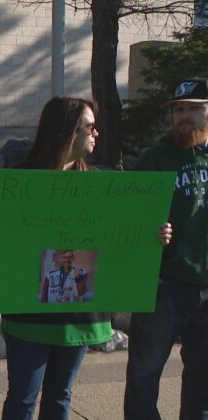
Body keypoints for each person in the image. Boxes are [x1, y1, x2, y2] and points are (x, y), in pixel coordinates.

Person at [0, 96, 169, 420]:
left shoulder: (97, 186)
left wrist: (154, 236)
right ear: (66, 131)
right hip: (28, 315)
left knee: (60, 398)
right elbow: (2, 243)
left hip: (77, 316)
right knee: (22, 399)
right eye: (90, 127)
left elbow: (120, 241)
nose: (97, 134)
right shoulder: (18, 182)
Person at [124, 77, 207, 420]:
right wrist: (150, 232)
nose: (183, 116)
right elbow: (127, 224)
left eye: (193, 109)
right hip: (164, 285)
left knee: (203, 381)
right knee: (144, 373)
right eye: (178, 110)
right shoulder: (154, 159)